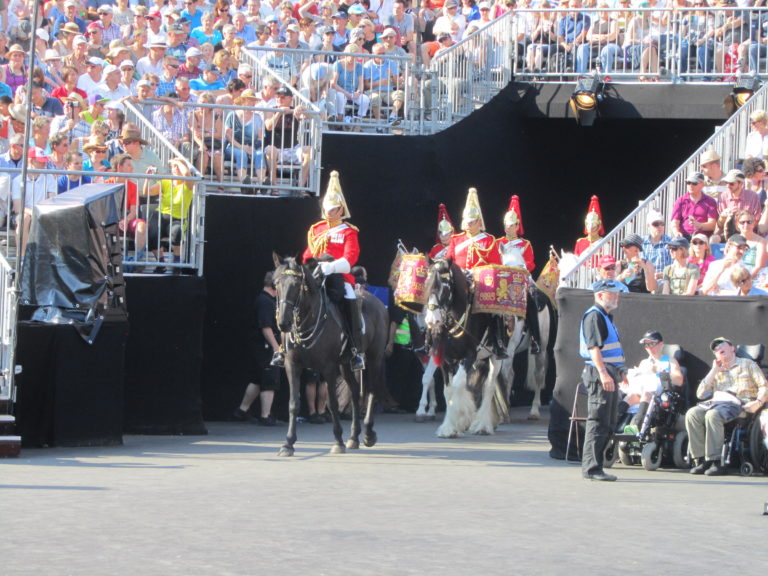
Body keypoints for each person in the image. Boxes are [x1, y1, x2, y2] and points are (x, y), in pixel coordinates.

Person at [272, 170, 364, 370]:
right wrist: (304, 267)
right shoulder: (317, 229)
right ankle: (283, 346)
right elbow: (307, 254)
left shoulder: (348, 231)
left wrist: (331, 266)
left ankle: (356, 349)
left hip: (338, 273)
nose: (328, 213)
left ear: (340, 210)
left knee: (348, 298)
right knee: (292, 295)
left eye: (332, 209)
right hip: (314, 273)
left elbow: (350, 257)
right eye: (326, 209)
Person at [686, 336, 768, 476]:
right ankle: (701, 460)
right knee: (692, 414)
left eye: (721, 346)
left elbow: (764, 386)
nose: (718, 349)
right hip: (717, 402)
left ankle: (716, 461)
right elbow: (700, 394)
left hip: (739, 403)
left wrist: (758, 402)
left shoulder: (747, 364)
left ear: (732, 348)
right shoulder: (717, 370)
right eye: (716, 349)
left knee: (713, 415)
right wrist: (713, 371)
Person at [579, 278, 625, 482]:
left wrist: (619, 371)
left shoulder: (604, 316)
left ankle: (596, 466)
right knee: (598, 420)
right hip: (600, 374)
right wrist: (604, 373)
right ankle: (592, 468)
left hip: (608, 372)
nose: (616, 297)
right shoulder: (594, 316)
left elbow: (609, 349)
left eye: (617, 293)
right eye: (612, 293)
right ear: (599, 295)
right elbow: (593, 348)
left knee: (607, 421)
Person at [233, 270, 282, 426]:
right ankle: (265, 415)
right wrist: (276, 347)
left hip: (262, 345)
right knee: (269, 379)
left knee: (257, 379)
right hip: (265, 346)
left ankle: (242, 410)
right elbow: (266, 327)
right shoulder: (265, 302)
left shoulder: (268, 300)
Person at [495, 194, 541, 353]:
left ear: (517, 226)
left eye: (512, 225)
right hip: (501, 279)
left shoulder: (525, 244)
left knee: (532, 301)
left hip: (520, 279)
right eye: (507, 225)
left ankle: (535, 337)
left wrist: (519, 270)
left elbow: (530, 263)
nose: (509, 228)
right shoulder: (497, 243)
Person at [621, 330, 684, 436]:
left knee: (647, 393)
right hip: (642, 392)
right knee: (630, 396)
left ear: (661, 344)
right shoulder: (644, 362)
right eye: (646, 345)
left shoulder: (670, 361)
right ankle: (613, 425)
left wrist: (659, 370)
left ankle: (636, 427)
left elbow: (679, 380)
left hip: (659, 394)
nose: (649, 347)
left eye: (652, 344)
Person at [670, 170, 718, 239]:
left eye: (694, 183)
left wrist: (698, 225)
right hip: (684, 236)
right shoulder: (680, 201)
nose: (690, 185)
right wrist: (676, 232)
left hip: (702, 237)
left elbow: (712, 225)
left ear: (702, 184)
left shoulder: (710, 202)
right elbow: (675, 222)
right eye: (688, 183)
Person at [641, 208, 672, 280]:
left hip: (664, 281)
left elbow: (674, 268)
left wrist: (662, 274)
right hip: (644, 281)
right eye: (656, 224)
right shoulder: (641, 242)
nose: (660, 226)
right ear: (648, 226)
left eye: (662, 224)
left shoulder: (671, 243)